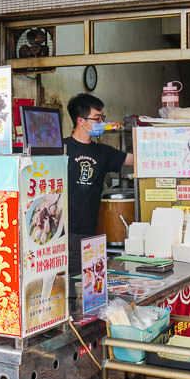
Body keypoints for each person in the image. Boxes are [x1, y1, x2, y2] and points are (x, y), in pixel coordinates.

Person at [64, 93, 134, 282]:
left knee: (90, 285)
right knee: (69, 284)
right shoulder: (60, 149)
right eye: (97, 118)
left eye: (103, 118)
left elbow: (134, 160)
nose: (102, 122)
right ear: (80, 120)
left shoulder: (103, 152)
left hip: (91, 232)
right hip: (63, 232)